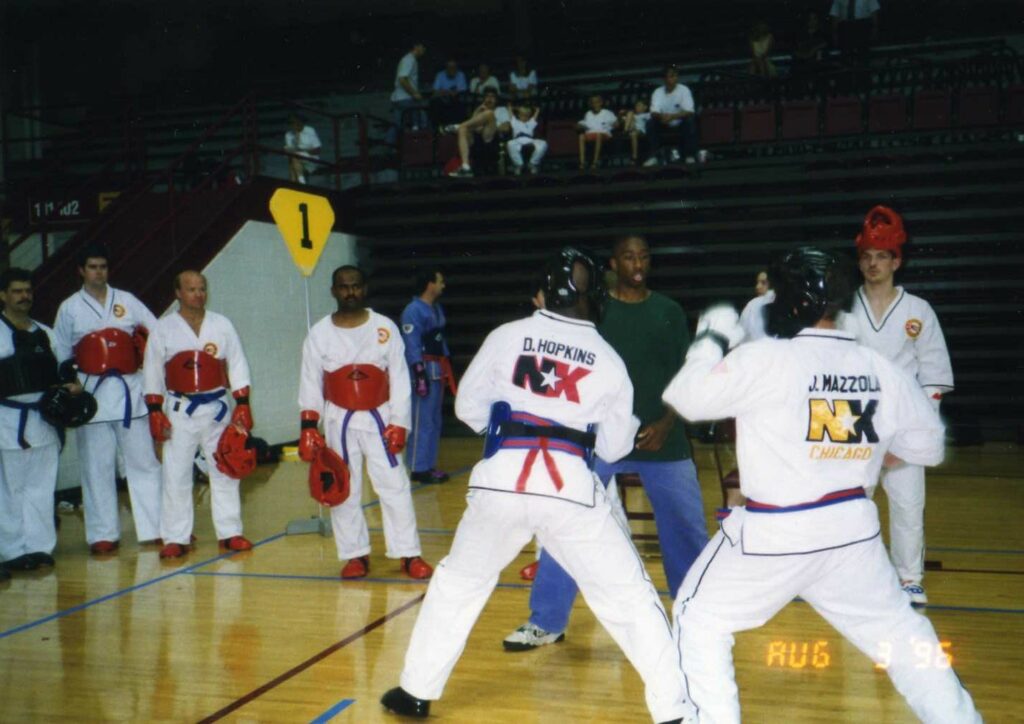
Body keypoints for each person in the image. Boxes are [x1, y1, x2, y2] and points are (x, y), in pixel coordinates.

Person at [662, 246, 980, 724]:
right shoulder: (878, 367)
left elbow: (684, 396)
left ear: (785, 303)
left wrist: (709, 338)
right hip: (853, 533)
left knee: (696, 617)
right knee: (902, 635)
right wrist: (862, 455)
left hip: (776, 533)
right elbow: (929, 446)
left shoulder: (767, 359)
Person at [380, 248, 697, 723]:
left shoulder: (508, 336)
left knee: (459, 583)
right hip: (569, 489)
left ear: (542, 293)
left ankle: (416, 691)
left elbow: (467, 409)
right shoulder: (608, 360)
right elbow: (612, 449)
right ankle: (674, 711)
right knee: (628, 597)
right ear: (595, 296)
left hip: (500, 483)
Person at [503, 234, 708, 652]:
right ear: (613, 264)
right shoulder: (594, 311)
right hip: (597, 440)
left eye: (644, 256)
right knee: (565, 524)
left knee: (686, 531)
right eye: (629, 256)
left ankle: (697, 618)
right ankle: (547, 620)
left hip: (662, 440)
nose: (638, 263)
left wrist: (668, 422)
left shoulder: (667, 311)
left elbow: (688, 376)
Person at [838, 205, 953, 606]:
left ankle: (909, 579)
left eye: (881, 257)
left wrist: (913, 434)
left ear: (896, 260)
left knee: (907, 505)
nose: (873, 264)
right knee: (851, 505)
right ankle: (850, 577)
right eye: (867, 257)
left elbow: (934, 376)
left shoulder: (918, 311)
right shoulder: (841, 309)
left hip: (903, 425)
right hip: (854, 425)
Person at [299, 265, 433, 580]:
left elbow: (400, 378)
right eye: (344, 287)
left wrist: (400, 422)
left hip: (380, 417)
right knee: (344, 488)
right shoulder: (319, 333)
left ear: (365, 288)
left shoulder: (384, 327)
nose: (350, 292)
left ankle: (408, 553)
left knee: (394, 484)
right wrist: (308, 427)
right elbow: (310, 382)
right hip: (338, 419)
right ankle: (354, 554)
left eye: (356, 286)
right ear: (333, 290)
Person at [53, 244, 162, 555]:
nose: (98, 272)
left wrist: (147, 360)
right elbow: (61, 353)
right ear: (81, 270)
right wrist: (70, 383)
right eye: (92, 267)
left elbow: (157, 331)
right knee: (96, 467)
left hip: (130, 392)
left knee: (144, 462)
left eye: (102, 266)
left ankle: (155, 527)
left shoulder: (126, 301)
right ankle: (103, 533)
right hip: (92, 395)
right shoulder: (70, 307)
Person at [143, 271, 254, 560]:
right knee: (176, 473)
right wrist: (155, 410)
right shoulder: (164, 328)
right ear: (178, 293)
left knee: (225, 469)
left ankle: (230, 532)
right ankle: (176, 537)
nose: (198, 294)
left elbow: (238, 364)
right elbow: (153, 371)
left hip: (217, 407)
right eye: (191, 289)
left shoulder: (222, 324)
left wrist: (242, 403)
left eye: (202, 289)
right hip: (180, 409)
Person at [0, 268, 79, 576]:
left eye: (28, 290)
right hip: (7, 419)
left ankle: (39, 547)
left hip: (43, 418)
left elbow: (65, 373)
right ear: (3, 295)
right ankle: (11, 550)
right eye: (17, 291)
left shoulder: (46, 333)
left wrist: (72, 387)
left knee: (41, 486)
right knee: (10, 488)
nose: (24, 296)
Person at [400, 268, 455, 486]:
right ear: (430, 284)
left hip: (438, 369)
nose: (443, 285)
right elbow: (411, 342)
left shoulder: (435, 309)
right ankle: (417, 468)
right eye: (440, 281)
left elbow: (440, 341)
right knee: (421, 420)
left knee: (433, 421)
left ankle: (427, 464)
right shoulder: (413, 310)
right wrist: (418, 371)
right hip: (422, 371)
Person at [645, 66, 698, 167]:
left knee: (690, 121)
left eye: (673, 76)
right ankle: (654, 157)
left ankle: (689, 156)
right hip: (663, 122)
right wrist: (662, 117)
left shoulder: (684, 90)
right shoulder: (657, 92)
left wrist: (673, 117)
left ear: (677, 77)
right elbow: (654, 111)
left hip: (680, 122)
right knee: (650, 123)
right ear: (664, 79)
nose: (671, 79)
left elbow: (690, 111)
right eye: (668, 77)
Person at [445, 88, 501, 178]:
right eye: (487, 97)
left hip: (491, 138)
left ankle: (458, 126)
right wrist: (477, 110)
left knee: (489, 113)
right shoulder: (480, 110)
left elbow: (506, 127)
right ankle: (466, 167)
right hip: (477, 141)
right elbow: (473, 126)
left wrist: (493, 126)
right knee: (463, 129)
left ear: (496, 100)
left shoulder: (501, 110)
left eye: (492, 97)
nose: (489, 99)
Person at [387, 42, 428, 144]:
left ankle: (389, 142)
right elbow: (402, 79)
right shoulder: (409, 60)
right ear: (416, 46)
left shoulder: (409, 59)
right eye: (423, 47)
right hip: (406, 98)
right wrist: (414, 93)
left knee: (397, 123)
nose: (424, 50)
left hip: (398, 98)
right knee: (422, 117)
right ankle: (419, 144)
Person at [576, 94, 619, 171]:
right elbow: (582, 124)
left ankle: (595, 162)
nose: (595, 104)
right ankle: (582, 163)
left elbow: (616, 123)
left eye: (597, 102)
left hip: (603, 134)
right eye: (593, 102)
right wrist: (580, 126)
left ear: (601, 103)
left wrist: (614, 124)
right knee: (581, 136)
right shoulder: (588, 113)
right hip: (590, 133)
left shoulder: (607, 112)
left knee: (598, 135)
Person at [505, 102, 547, 175]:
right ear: (519, 115)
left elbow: (536, 114)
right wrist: (510, 107)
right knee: (510, 144)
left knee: (543, 143)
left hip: (530, 139)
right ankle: (519, 164)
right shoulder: (515, 122)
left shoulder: (530, 122)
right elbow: (510, 113)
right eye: (523, 115)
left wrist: (536, 110)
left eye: (527, 116)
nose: (525, 117)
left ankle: (533, 163)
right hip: (517, 139)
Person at [284, 114, 322, 185]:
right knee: (293, 160)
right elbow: (289, 151)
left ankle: (298, 185)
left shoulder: (310, 131)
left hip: (311, 158)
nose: (294, 125)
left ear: (301, 122)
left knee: (293, 163)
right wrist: (296, 140)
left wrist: (301, 150)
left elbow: (318, 150)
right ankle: (301, 182)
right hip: (297, 159)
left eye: (296, 122)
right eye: (291, 123)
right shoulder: (288, 134)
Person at [739, 268, 774, 341]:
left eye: (763, 283)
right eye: (757, 283)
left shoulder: (753, 304)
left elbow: (742, 333)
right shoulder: (752, 304)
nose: (757, 287)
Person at [431, 58, 468, 126]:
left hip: (457, 101)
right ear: (446, 68)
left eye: (453, 67)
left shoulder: (460, 75)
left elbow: (462, 91)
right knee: (435, 103)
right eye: (449, 67)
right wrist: (449, 92)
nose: (451, 69)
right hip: (442, 101)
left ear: (456, 68)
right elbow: (435, 92)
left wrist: (445, 91)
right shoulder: (440, 75)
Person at [620, 99, 651, 165]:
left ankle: (634, 157)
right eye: (636, 106)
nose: (637, 107)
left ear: (645, 107)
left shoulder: (647, 114)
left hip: (641, 130)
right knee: (630, 113)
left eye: (639, 105)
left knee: (633, 133)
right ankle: (626, 130)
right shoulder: (633, 115)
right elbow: (622, 119)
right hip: (632, 128)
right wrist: (622, 113)